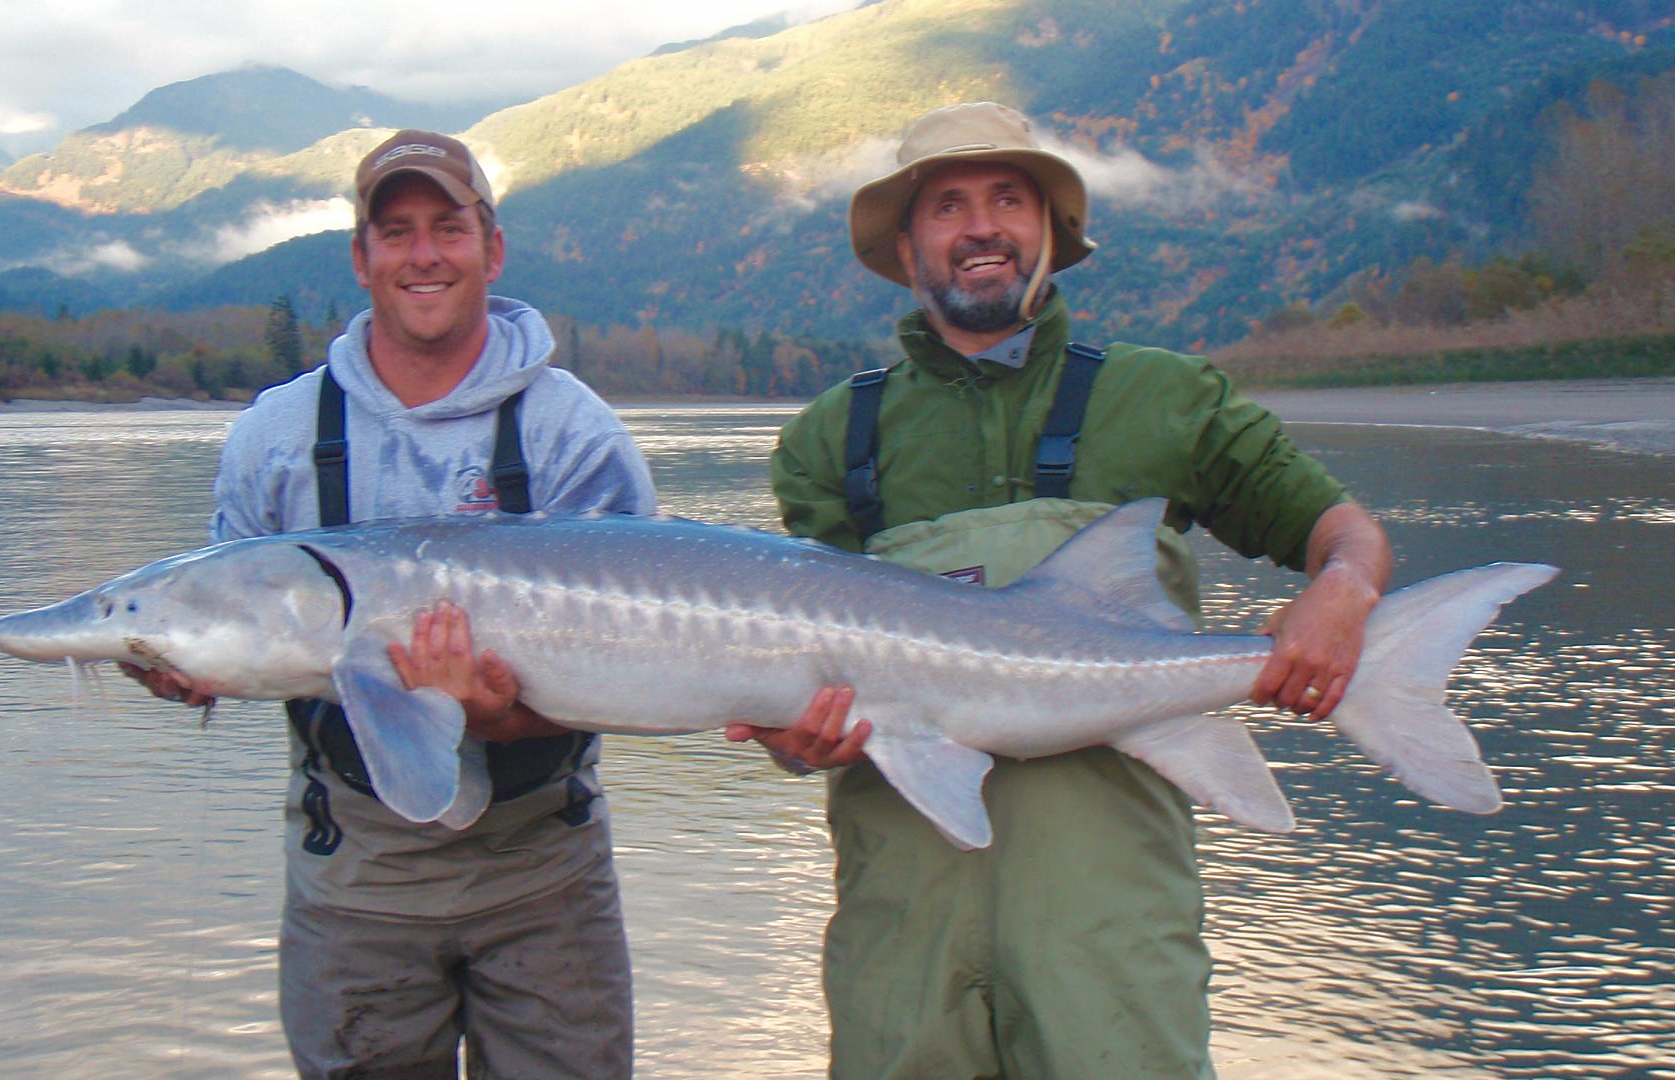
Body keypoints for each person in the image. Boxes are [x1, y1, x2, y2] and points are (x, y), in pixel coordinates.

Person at [728, 102, 1392, 1078]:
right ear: (907, 242)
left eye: (1009, 197)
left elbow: (1344, 533)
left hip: (1111, 936)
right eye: (948, 205)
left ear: (1049, 229)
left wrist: (1347, 592)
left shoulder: (1164, 398)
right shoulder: (831, 438)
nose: (981, 225)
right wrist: (795, 743)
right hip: (901, 929)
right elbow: (812, 682)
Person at [126, 130, 655, 1078]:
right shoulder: (276, 437)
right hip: (356, 873)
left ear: (490, 250)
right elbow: (226, 617)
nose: (423, 255)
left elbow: (643, 666)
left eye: (447, 228)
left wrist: (495, 716)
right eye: (396, 230)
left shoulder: (572, 429)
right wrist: (185, 672)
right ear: (361, 258)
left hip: (544, 870)